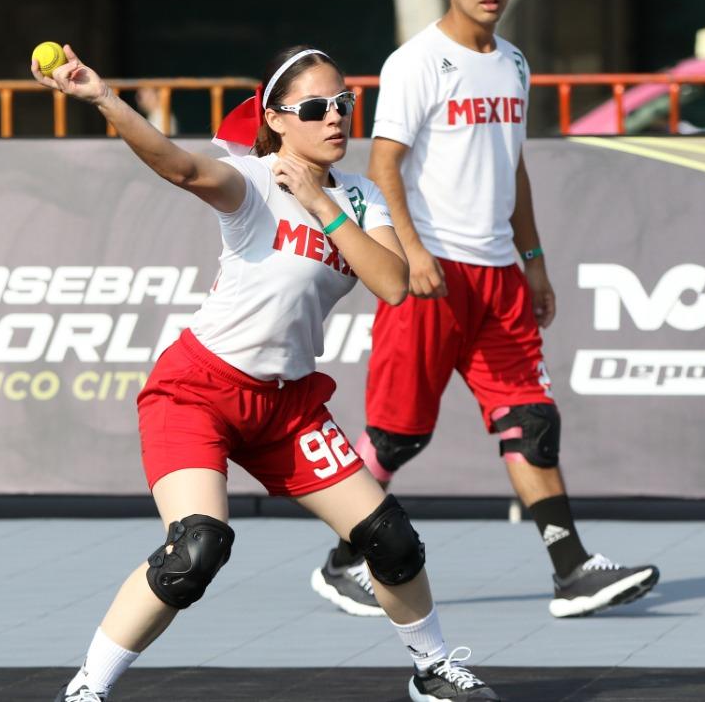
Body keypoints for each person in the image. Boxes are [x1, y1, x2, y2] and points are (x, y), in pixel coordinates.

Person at [32, 44, 503, 701]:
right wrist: (103, 97)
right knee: (196, 548)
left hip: (287, 408)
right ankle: (87, 688)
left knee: (391, 540)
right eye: (316, 107)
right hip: (198, 392)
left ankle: (431, 668)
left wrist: (321, 202)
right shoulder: (251, 180)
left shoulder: (361, 197)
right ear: (278, 119)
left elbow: (394, 282)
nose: (336, 116)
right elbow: (180, 168)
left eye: (344, 103)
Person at [311, 0, 659, 620]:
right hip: (433, 272)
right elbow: (383, 166)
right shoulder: (415, 61)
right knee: (398, 434)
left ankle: (572, 569)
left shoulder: (515, 62)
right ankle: (344, 560)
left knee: (530, 419)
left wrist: (533, 260)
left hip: (500, 275)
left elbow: (514, 168)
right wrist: (412, 253)